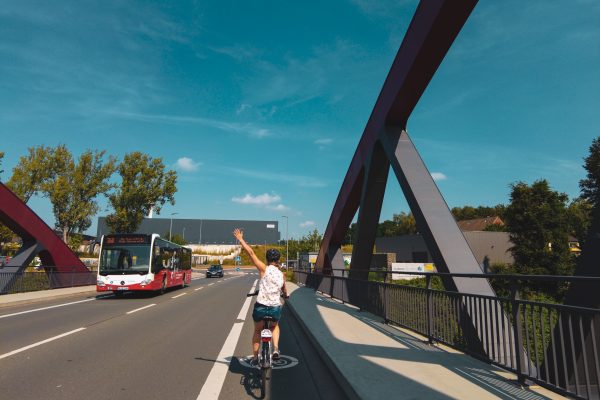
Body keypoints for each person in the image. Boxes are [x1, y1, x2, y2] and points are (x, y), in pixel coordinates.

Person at [233, 228, 288, 364]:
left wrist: (240, 239)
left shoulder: (264, 269)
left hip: (261, 307)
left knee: (257, 330)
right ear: (278, 260)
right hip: (275, 308)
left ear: (267, 259)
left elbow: (251, 253)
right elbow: (285, 290)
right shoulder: (282, 275)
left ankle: (256, 357)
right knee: (274, 326)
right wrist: (286, 295)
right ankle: (275, 349)